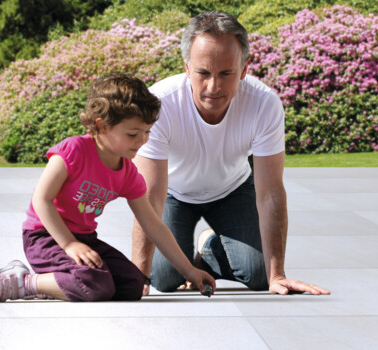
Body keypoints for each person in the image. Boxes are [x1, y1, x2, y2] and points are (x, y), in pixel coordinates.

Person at [131, 11, 330, 296]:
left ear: (244, 68)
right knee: (163, 278)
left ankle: (210, 249)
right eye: (203, 73)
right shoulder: (160, 103)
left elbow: (270, 191)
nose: (214, 87)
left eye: (226, 73)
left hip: (232, 190)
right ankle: (187, 260)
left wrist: (278, 275)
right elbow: (150, 193)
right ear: (187, 67)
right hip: (174, 193)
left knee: (259, 275)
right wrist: (139, 275)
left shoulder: (264, 104)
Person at [0, 73, 216, 303]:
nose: (143, 140)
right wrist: (69, 244)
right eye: (133, 133)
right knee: (94, 285)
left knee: (133, 284)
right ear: (102, 126)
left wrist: (190, 271)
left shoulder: (127, 173)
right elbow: (42, 200)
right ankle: (23, 282)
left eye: (147, 132)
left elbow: (153, 225)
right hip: (45, 237)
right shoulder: (73, 151)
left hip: (85, 239)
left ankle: (63, 285)